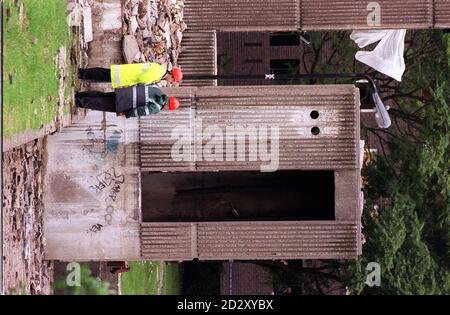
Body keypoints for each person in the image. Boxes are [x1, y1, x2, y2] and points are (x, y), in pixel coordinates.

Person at [75, 84, 180, 118]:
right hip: (124, 104)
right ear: (167, 106)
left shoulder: (157, 89)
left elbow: (141, 84)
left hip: (124, 93)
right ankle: (79, 102)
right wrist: (127, 114)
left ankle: (79, 95)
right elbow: (141, 111)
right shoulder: (157, 107)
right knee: (100, 104)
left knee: (102, 96)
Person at [78, 63, 183, 88]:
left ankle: (83, 74)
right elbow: (143, 78)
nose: (171, 82)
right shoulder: (159, 72)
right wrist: (142, 86)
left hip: (126, 74)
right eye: (173, 81)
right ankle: (82, 73)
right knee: (101, 74)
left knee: (102, 74)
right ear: (172, 76)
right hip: (125, 75)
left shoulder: (160, 73)